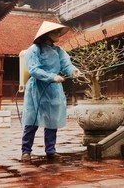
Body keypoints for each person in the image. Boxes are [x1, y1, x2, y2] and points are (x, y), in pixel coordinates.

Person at [21, 21, 80, 162]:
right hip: (37, 88)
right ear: (46, 34)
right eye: (55, 32)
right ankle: (26, 151)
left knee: (52, 121)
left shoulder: (59, 51)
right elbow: (34, 69)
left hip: (54, 89)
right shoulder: (34, 49)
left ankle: (51, 151)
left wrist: (73, 71)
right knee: (32, 120)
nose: (58, 35)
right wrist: (51, 76)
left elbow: (67, 65)